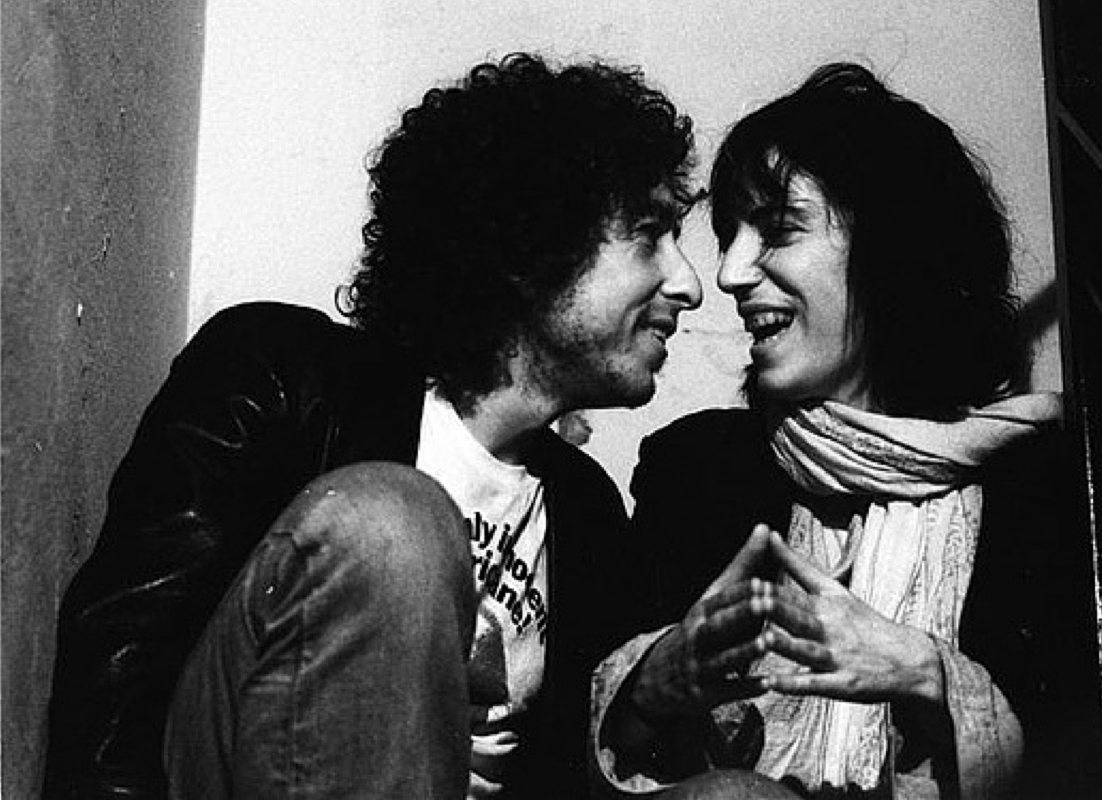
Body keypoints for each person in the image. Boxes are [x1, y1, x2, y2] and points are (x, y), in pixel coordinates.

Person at [43, 52, 702, 800]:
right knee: (392, 525)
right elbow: (122, 662)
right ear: (534, 248)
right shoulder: (280, 380)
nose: (689, 284)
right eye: (649, 236)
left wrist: (661, 688)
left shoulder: (587, 514)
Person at [590, 63, 1064, 798]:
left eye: (778, 230)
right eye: (730, 235)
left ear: (895, 250)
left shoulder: (1046, 486)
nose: (730, 273)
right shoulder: (695, 470)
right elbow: (582, 762)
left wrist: (925, 676)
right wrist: (649, 689)